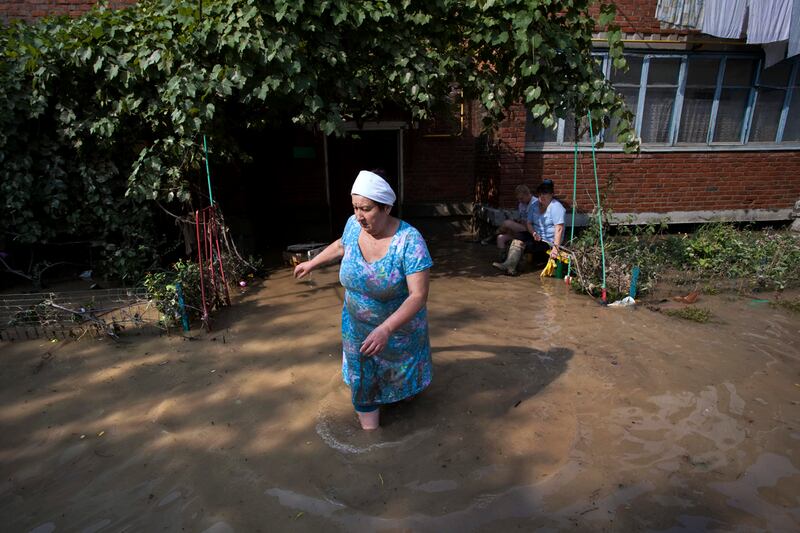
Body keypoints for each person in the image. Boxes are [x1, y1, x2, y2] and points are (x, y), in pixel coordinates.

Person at [293, 170, 434, 430]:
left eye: (366, 209)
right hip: (357, 326)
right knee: (363, 386)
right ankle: (370, 443)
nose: (359, 216)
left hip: (398, 333)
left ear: (386, 207)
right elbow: (340, 245)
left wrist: (386, 329)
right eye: (355, 207)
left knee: (405, 392)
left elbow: (418, 296)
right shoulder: (353, 225)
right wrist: (312, 263)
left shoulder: (409, 241)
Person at [493, 180, 566, 275]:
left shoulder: (556, 207)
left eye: (545, 193)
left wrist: (556, 248)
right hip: (536, 236)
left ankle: (512, 266)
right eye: (540, 194)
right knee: (519, 236)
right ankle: (510, 266)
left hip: (548, 241)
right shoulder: (534, 206)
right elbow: (529, 223)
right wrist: (533, 233)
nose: (542, 196)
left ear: (551, 194)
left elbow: (559, 229)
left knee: (526, 244)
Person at [482, 185, 536, 249]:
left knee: (507, 223)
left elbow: (533, 222)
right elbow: (522, 218)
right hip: (523, 228)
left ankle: (492, 236)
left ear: (528, 194)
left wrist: (515, 225)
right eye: (518, 199)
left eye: (521, 198)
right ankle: (503, 257)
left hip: (531, 230)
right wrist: (517, 221)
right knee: (500, 238)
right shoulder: (522, 204)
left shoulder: (535, 203)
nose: (520, 201)